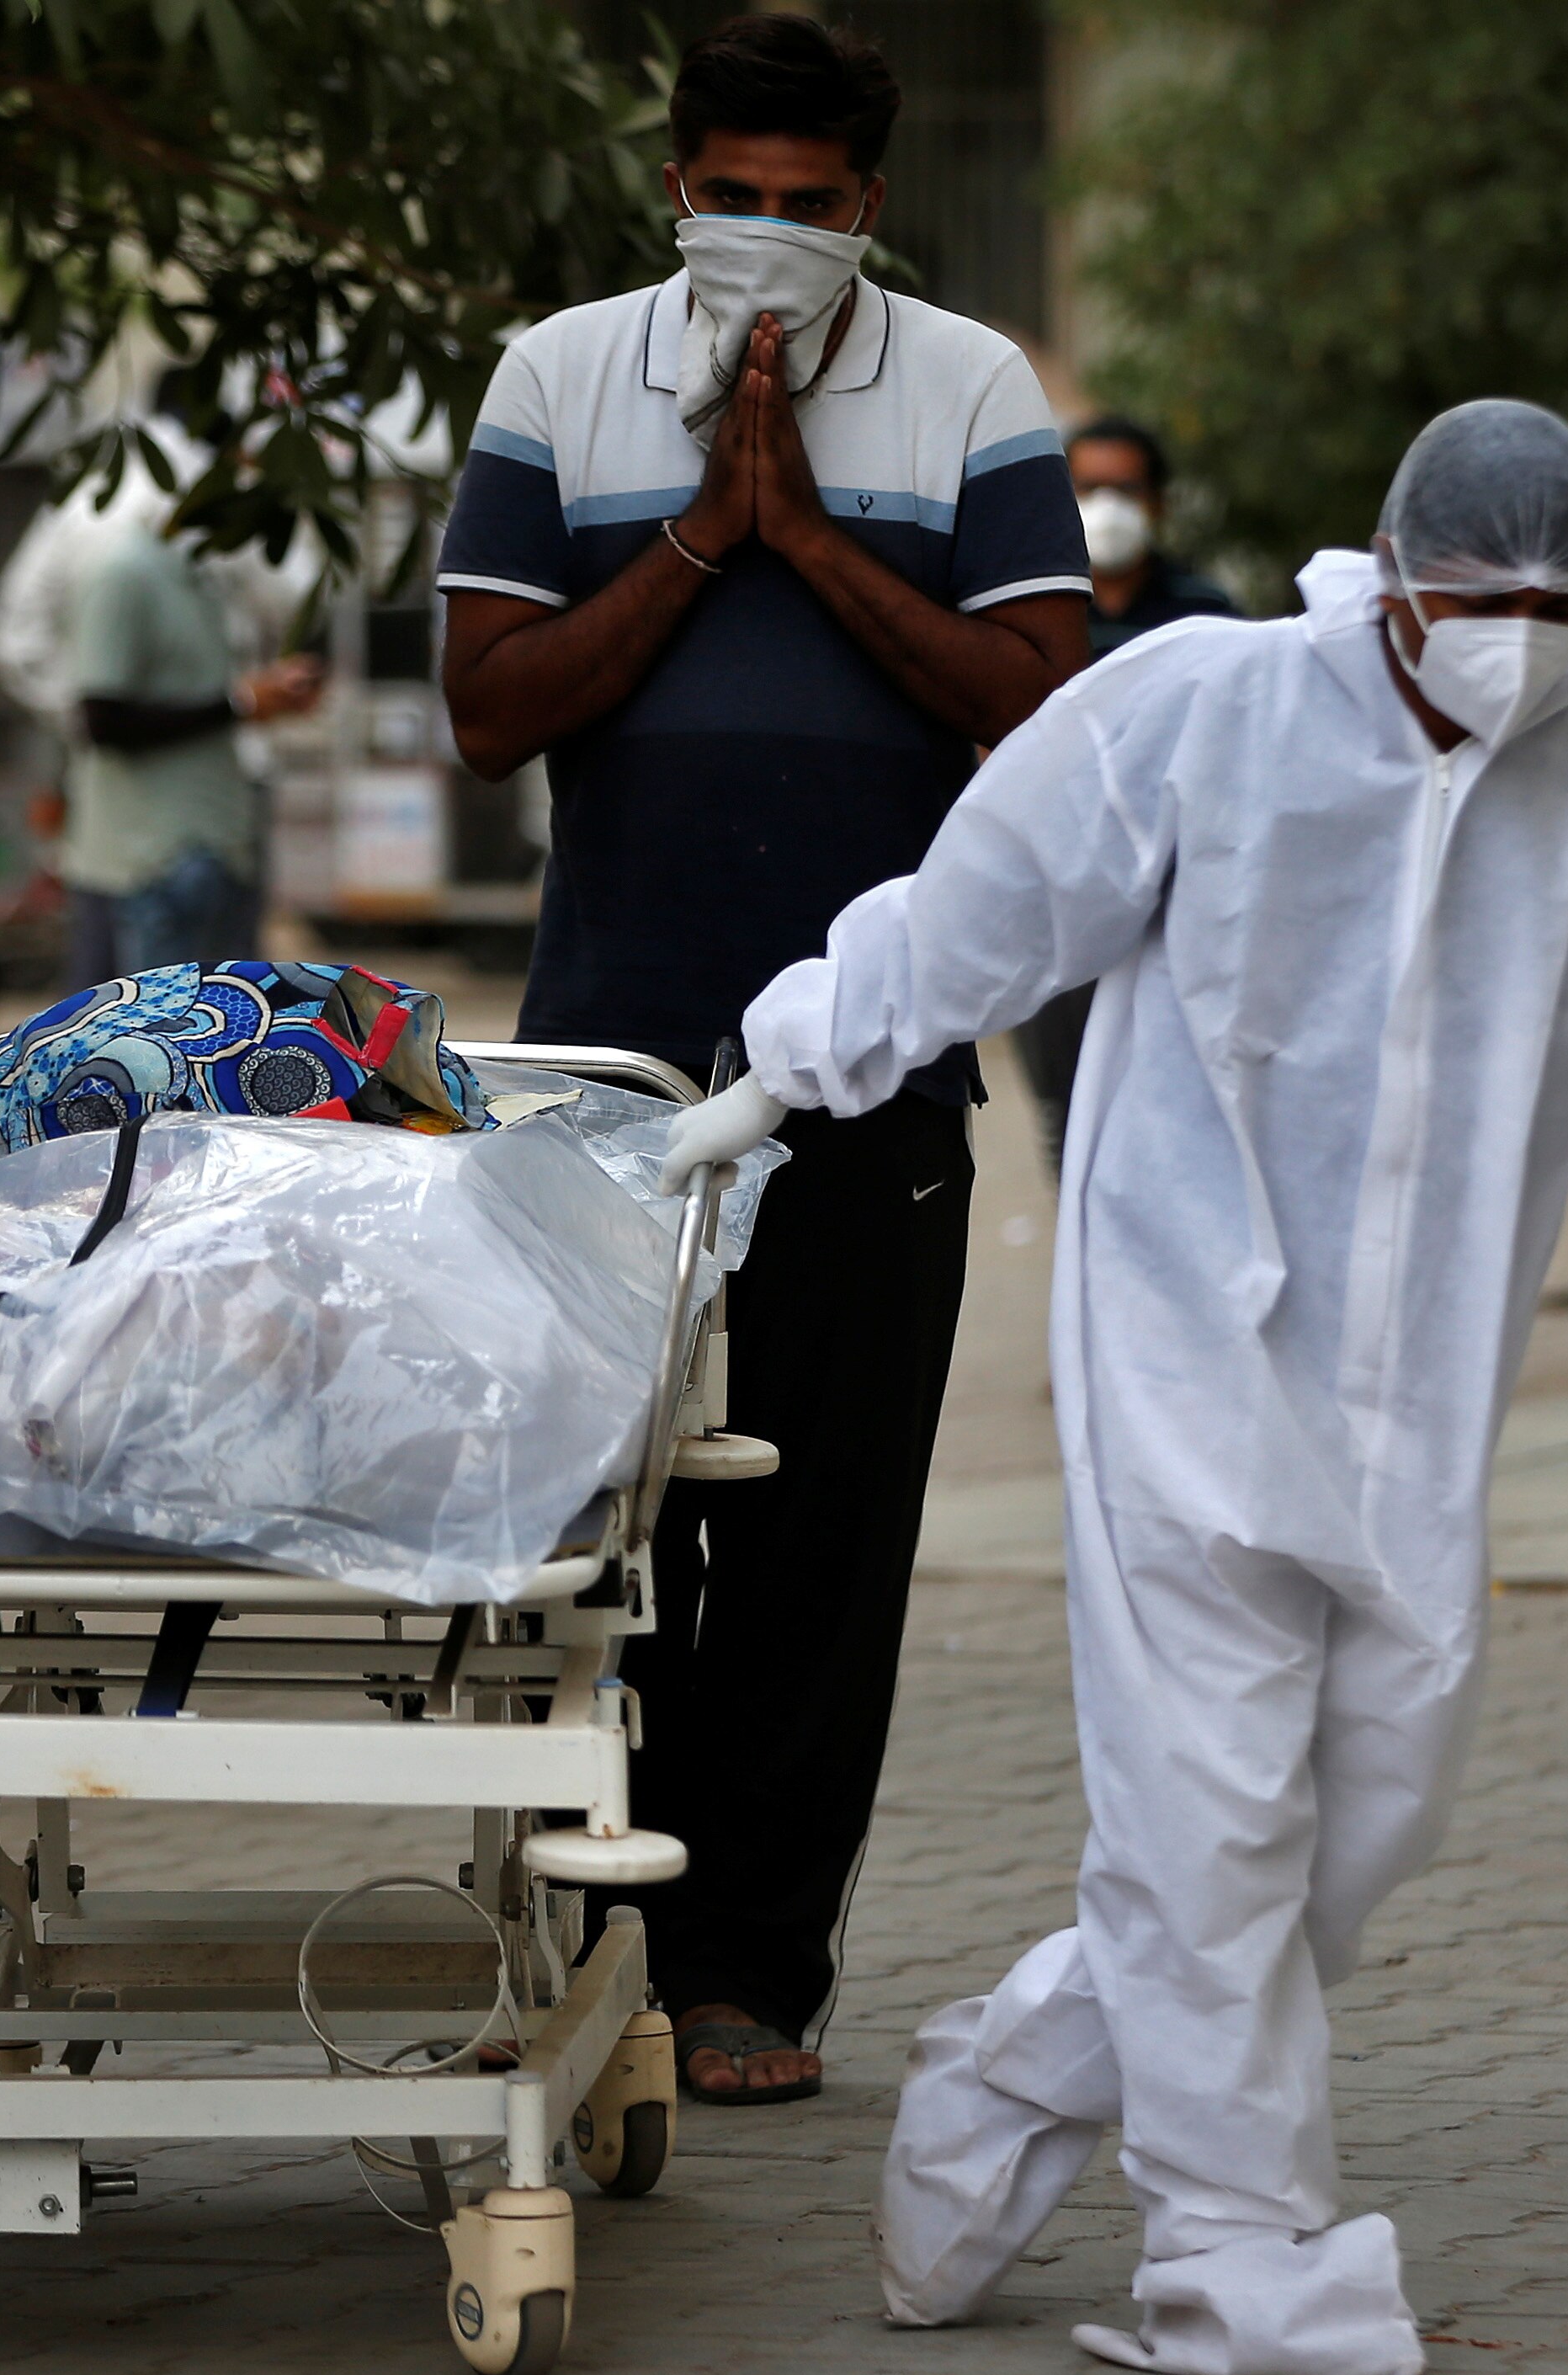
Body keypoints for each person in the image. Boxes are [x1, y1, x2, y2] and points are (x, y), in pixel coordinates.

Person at [656, 401, 1568, 2375]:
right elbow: (987, 900)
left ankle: (1002, 2086)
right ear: (1393, 580)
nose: (1520, 639)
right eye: (1482, 599)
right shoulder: (1201, 709)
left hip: (1421, 1401)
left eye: (1559, 605)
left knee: (1355, 1823)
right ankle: (1240, 2256)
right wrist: (796, 1055)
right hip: (1178, 1353)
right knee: (1213, 1827)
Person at [434, 13, 1089, 2105]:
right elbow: (486, 702)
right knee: (592, 1537)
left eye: (810, 208)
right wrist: (702, 535)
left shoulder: (971, 385)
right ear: (673, 188)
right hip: (603, 1081)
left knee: (818, 1543)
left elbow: (1033, 701)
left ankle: (743, 1975)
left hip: (870, 1078)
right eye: (733, 196)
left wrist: (806, 531)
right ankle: (586, 1952)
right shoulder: (556, 373)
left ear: (868, 212)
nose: (768, 237)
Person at [1011, 415, 1239, 1177]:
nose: (1107, 505)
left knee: (1178, 1102)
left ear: (1159, 503)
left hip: (1180, 902)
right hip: (1054, 898)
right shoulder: (1023, 612)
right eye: (1089, 487)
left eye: (1125, 488)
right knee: (1069, 1112)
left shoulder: (1206, 613)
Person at [62, 508, 321, 983]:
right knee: (158, 1043)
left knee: (221, 1038)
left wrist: (258, 699)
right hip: (157, 859)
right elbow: (101, 720)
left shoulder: (205, 575)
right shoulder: (125, 573)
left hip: (217, 845)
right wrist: (239, 702)